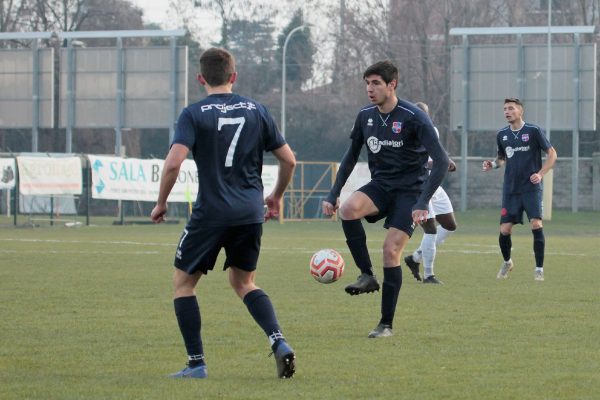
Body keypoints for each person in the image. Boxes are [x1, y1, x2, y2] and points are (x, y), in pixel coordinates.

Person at [151, 47, 297, 379]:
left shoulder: (193, 113)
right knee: (244, 282)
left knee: (183, 284)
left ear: (201, 78)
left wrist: (161, 203)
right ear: (234, 76)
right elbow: (289, 160)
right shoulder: (258, 110)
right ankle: (279, 341)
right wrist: (274, 197)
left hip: (212, 212)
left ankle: (196, 364)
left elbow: (174, 162)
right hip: (249, 211)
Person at [322, 61, 449, 338]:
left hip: (410, 192)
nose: (370, 88)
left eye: (376, 83)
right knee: (348, 209)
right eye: (367, 83)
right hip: (381, 185)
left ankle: (386, 324)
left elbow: (441, 161)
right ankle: (367, 275)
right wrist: (333, 193)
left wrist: (421, 202)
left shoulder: (414, 117)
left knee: (391, 251)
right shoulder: (365, 115)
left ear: (392, 85)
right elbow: (351, 155)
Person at [482, 98, 557, 281]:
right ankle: (507, 262)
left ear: (520, 111)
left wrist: (540, 174)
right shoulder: (502, 135)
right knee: (505, 229)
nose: (507, 111)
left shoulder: (533, 131)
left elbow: (552, 154)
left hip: (531, 188)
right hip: (511, 189)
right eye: (505, 109)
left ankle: (539, 269)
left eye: (511, 108)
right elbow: (502, 158)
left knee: (536, 224)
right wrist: (493, 164)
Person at [404, 102, 458, 285]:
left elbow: (435, 153)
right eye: (420, 114)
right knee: (431, 229)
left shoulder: (432, 130)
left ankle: (416, 257)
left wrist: (446, 160)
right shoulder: (407, 132)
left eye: (426, 115)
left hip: (434, 184)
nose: (423, 118)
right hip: (418, 185)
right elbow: (420, 162)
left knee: (450, 225)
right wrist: (440, 163)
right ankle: (429, 275)